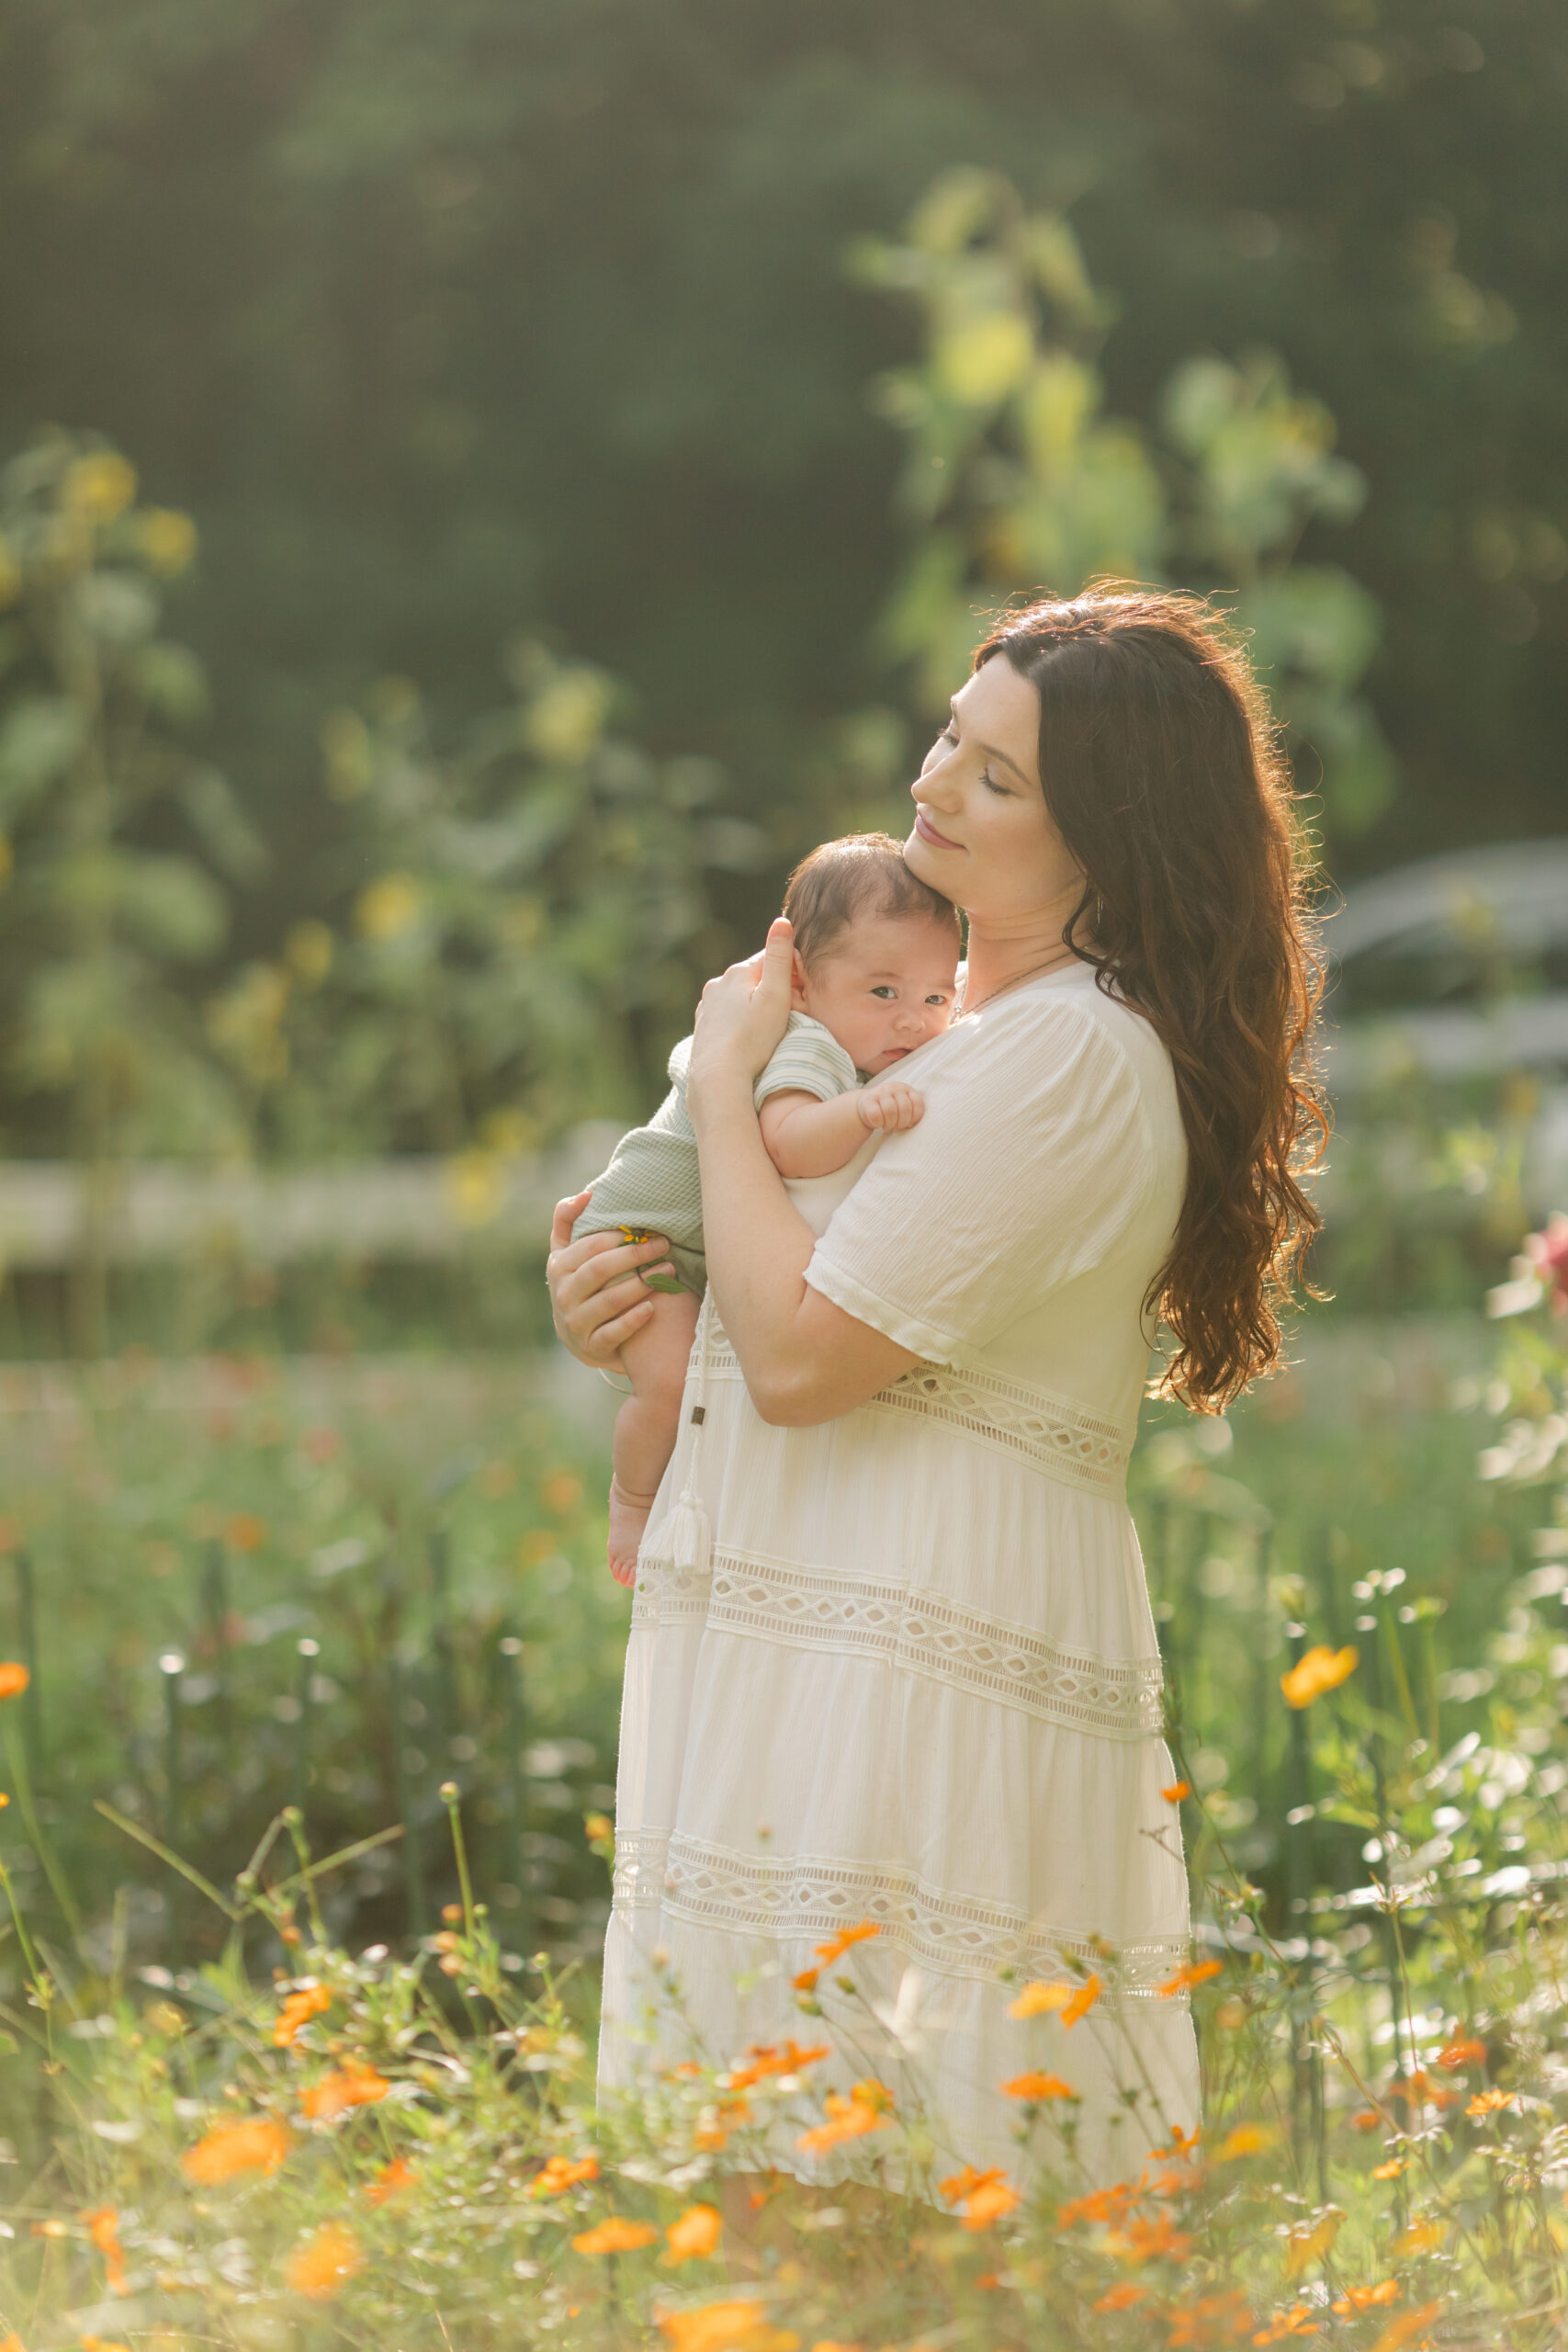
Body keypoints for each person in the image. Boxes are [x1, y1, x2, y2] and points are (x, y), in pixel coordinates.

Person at [547, 587, 1324, 2194]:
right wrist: (617, 1294)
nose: (929, 789)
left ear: (1107, 839)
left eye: (993, 780)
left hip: (904, 1659)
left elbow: (806, 1355)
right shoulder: (941, 1032)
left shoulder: (1067, 1055)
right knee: (766, 2208)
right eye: (949, 742)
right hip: (812, 1633)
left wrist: (716, 1074)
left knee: (883, 2205)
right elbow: (754, 1310)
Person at [570, 834, 961, 1584]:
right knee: (675, 1380)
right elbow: (787, 1145)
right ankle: (630, 1499)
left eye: (936, 996)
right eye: (883, 993)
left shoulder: (860, 1042)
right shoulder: (804, 1047)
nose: (913, 1021)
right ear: (802, 986)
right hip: (640, 1242)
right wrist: (863, 1111)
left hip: (677, 1242)